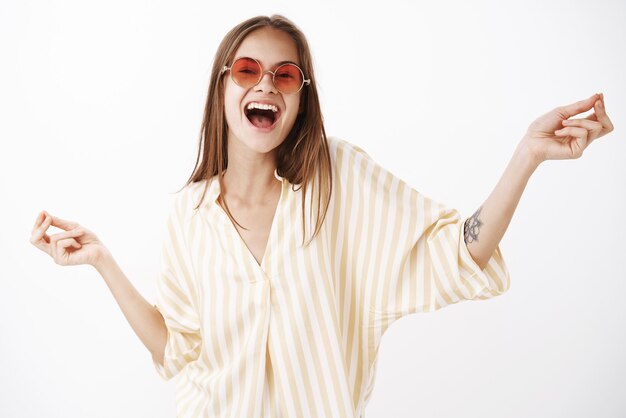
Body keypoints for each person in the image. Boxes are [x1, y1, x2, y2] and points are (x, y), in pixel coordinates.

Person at [30, 14, 614, 418]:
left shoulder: (340, 180)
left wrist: (527, 156)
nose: (266, 84)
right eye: (247, 70)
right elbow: (176, 350)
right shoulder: (190, 214)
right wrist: (103, 262)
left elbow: (456, 258)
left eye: (285, 75)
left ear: (301, 96)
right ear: (222, 86)